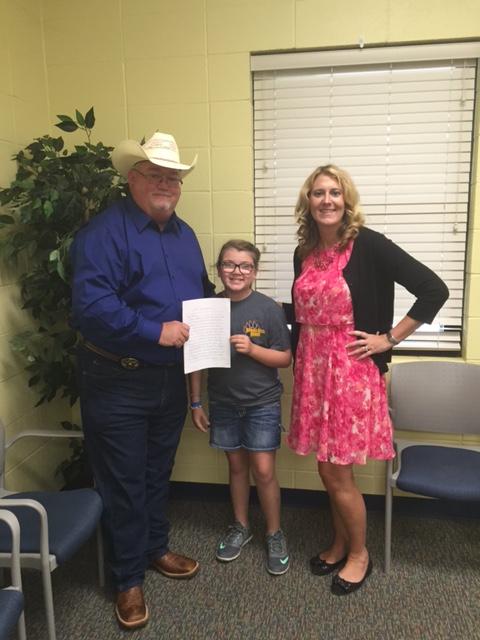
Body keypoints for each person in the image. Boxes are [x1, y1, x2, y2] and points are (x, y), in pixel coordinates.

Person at [70, 132, 214, 629]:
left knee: (156, 471)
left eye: (173, 178)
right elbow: (92, 308)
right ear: (133, 178)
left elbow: (200, 296)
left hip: (167, 381)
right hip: (116, 378)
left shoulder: (186, 236)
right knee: (123, 480)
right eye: (156, 175)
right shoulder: (103, 233)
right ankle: (127, 578)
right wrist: (155, 331)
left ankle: (155, 549)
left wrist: (225, 312)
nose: (166, 185)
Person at [287, 165, 448, 595]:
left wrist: (389, 339)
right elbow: (303, 316)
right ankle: (341, 543)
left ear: (346, 200)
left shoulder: (369, 245)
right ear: (308, 201)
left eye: (334, 192)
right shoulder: (303, 251)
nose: (326, 200)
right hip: (314, 372)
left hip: (349, 373)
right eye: (317, 192)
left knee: (338, 473)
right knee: (327, 469)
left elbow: (434, 289)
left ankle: (360, 554)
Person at [190, 240, 292, 575]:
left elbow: (284, 358)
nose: (237, 271)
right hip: (223, 403)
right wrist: (195, 402)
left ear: (255, 272)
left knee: (263, 470)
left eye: (244, 266)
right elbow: (196, 363)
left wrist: (251, 349)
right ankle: (240, 526)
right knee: (236, 469)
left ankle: (274, 533)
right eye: (229, 265)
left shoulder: (269, 309)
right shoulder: (206, 309)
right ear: (218, 269)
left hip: (262, 403)